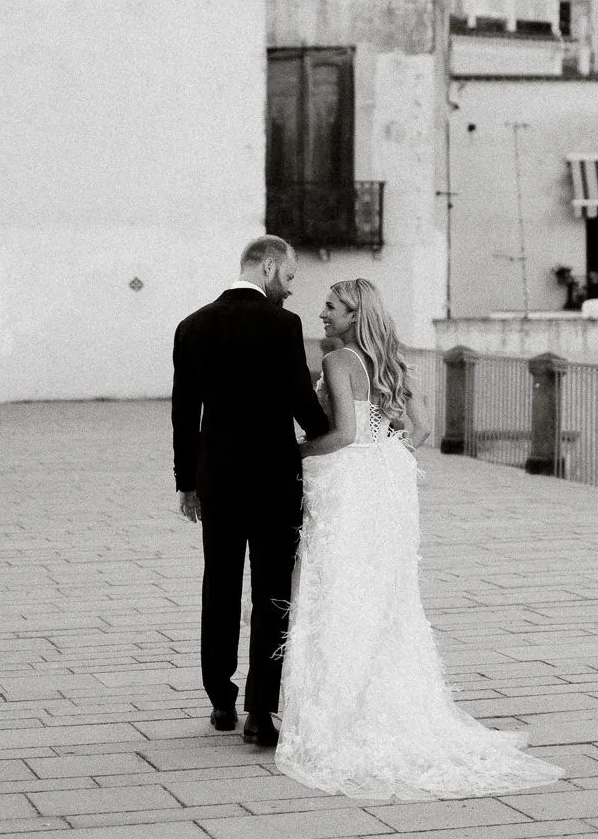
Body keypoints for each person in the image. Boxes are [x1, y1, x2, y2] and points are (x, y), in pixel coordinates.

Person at [276, 278, 564, 799]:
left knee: (341, 589)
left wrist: (292, 453)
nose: (322, 313)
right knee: (387, 596)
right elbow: (421, 430)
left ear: (353, 314)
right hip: (388, 487)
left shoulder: (339, 363)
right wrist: (386, 448)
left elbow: (341, 435)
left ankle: (338, 708)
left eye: (331, 307)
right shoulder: (392, 361)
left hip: (350, 488)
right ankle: (388, 699)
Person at [171, 236, 330, 748]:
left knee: (219, 586)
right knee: (272, 593)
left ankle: (221, 698)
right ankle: (261, 712)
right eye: (289, 276)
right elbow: (300, 402)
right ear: (268, 266)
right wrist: (340, 427)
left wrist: (186, 483)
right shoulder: (282, 325)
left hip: (216, 479)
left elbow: (183, 415)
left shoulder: (191, 326)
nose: (291, 287)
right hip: (273, 479)